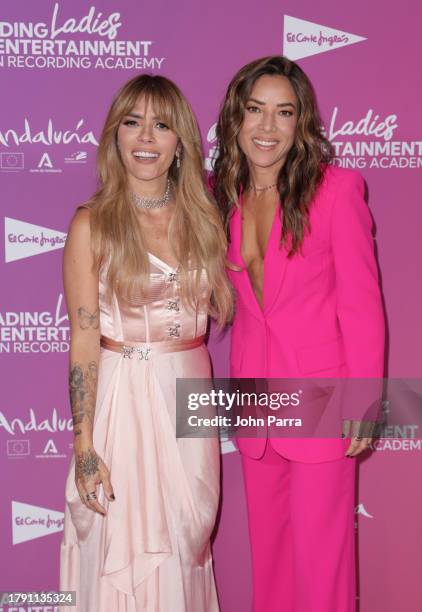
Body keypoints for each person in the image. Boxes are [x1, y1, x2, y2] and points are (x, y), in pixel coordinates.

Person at [213, 56, 385, 612]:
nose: (267, 127)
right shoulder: (222, 195)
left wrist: (364, 397)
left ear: (301, 121)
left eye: (283, 113)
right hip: (255, 400)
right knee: (272, 559)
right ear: (235, 119)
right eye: (255, 111)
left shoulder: (336, 189)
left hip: (322, 397)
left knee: (321, 564)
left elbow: (361, 304)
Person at [60, 74, 232, 612]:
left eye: (161, 125)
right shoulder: (93, 224)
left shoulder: (206, 219)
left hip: (190, 396)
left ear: (181, 140)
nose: (145, 138)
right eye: (132, 123)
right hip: (122, 400)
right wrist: (84, 445)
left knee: (186, 539)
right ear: (115, 135)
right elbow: (85, 339)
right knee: (122, 545)